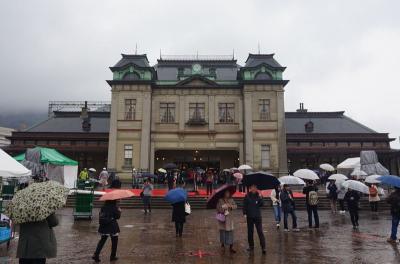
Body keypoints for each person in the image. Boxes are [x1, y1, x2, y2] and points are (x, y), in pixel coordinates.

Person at [242, 184, 266, 254]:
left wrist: (262, 198)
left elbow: (262, 204)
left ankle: (263, 247)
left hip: (257, 216)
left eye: (255, 187)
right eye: (252, 187)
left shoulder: (259, 196)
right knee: (250, 232)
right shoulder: (247, 196)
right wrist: (244, 213)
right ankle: (251, 246)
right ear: (250, 188)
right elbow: (244, 205)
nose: (254, 189)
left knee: (260, 232)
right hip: (249, 216)